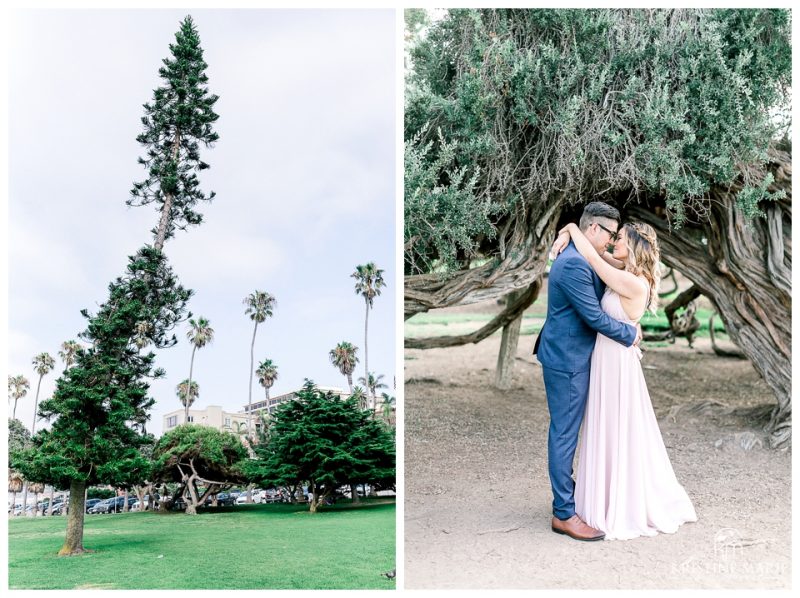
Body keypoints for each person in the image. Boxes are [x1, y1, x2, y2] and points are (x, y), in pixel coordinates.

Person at [551, 218, 697, 540]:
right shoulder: (626, 270)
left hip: (616, 363)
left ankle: (617, 502)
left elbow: (591, 258)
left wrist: (573, 228)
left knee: (615, 428)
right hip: (606, 358)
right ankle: (599, 497)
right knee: (605, 426)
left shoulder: (635, 282)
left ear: (633, 245)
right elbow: (597, 254)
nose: (615, 241)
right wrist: (569, 231)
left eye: (620, 238)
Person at [534, 202, 640, 541]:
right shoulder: (576, 265)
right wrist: (630, 334)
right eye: (609, 234)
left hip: (574, 355)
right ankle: (563, 514)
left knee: (568, 431)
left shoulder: (581, 254)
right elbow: (593, 317)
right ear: (593, 229)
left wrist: (568, 229)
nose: (611, 241)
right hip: (566, 359)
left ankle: (571, 498)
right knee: (564, 433)